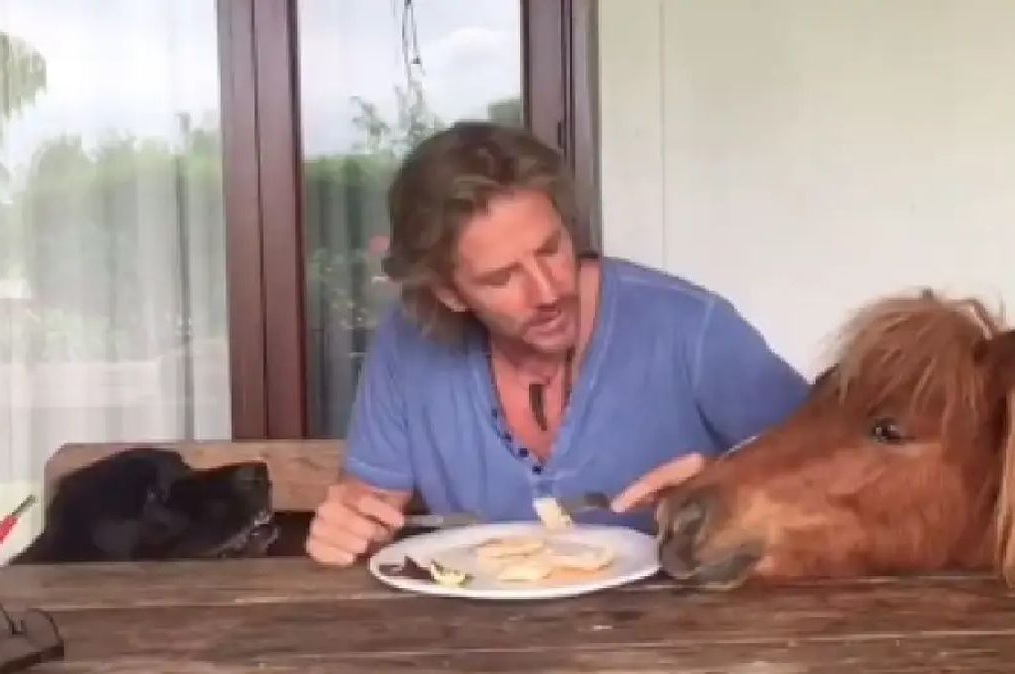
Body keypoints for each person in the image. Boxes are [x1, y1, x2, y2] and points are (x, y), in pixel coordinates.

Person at [305, 122, 808, 566]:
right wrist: (350, 525)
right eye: (502, 277)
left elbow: (836, 471)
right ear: (449, 294)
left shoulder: (691, 327)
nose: (548, 292)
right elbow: (372, 502)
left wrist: (729, 481)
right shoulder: (408, 344)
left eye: (551, 249)